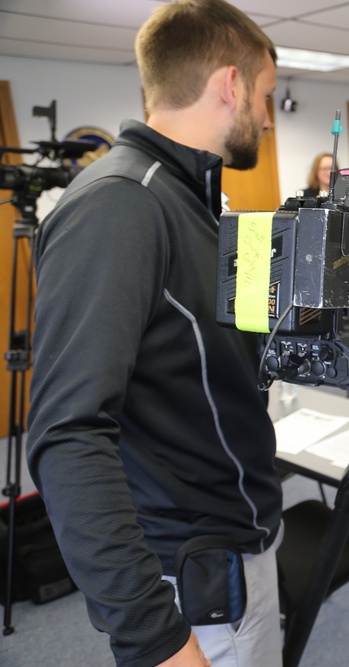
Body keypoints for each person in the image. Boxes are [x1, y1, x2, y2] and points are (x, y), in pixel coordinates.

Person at [27, 1, 282, 665]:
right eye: (265, 95)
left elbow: (218, 353)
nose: (265, 115)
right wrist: (156, 638)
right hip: (196, 583)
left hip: (240, 538)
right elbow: (67, 435)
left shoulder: (195, 200)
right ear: (229, 84)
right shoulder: (120, 203)